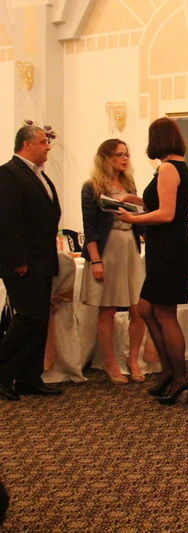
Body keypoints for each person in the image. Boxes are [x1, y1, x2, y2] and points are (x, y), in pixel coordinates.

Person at [117, 117, 188, 406]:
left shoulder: (168, 167)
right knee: (145, 308)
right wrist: (138, 201)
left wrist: (132, 218)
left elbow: (166, 214)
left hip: (170, 248)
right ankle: (168, 370)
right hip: (167, 246)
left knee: (165, 313)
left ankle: (180, 377)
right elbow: (165, 204)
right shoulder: (177, 166)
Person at [0, 125, 63, 401]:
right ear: (26, 145)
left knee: (39, 320)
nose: (48, 147)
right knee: (28, 317)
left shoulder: (38, 174)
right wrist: (17, 259)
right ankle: (3, 375)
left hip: (42, 259)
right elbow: (8, 221)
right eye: (42, 142)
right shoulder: (9, 173)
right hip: (23, 261)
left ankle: (29, 377)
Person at [80, 139, 146, 384]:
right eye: (119, 154)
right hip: (107, 249)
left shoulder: (129, 183)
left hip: (130, 245)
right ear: (106, 158)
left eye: (126, 154)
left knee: (139, 308)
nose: (124, 158)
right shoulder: (92, 187)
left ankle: (133, 359)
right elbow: (90, 228)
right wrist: (96, 261)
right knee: (107, 308)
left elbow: (140, 215)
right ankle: (109, 361)